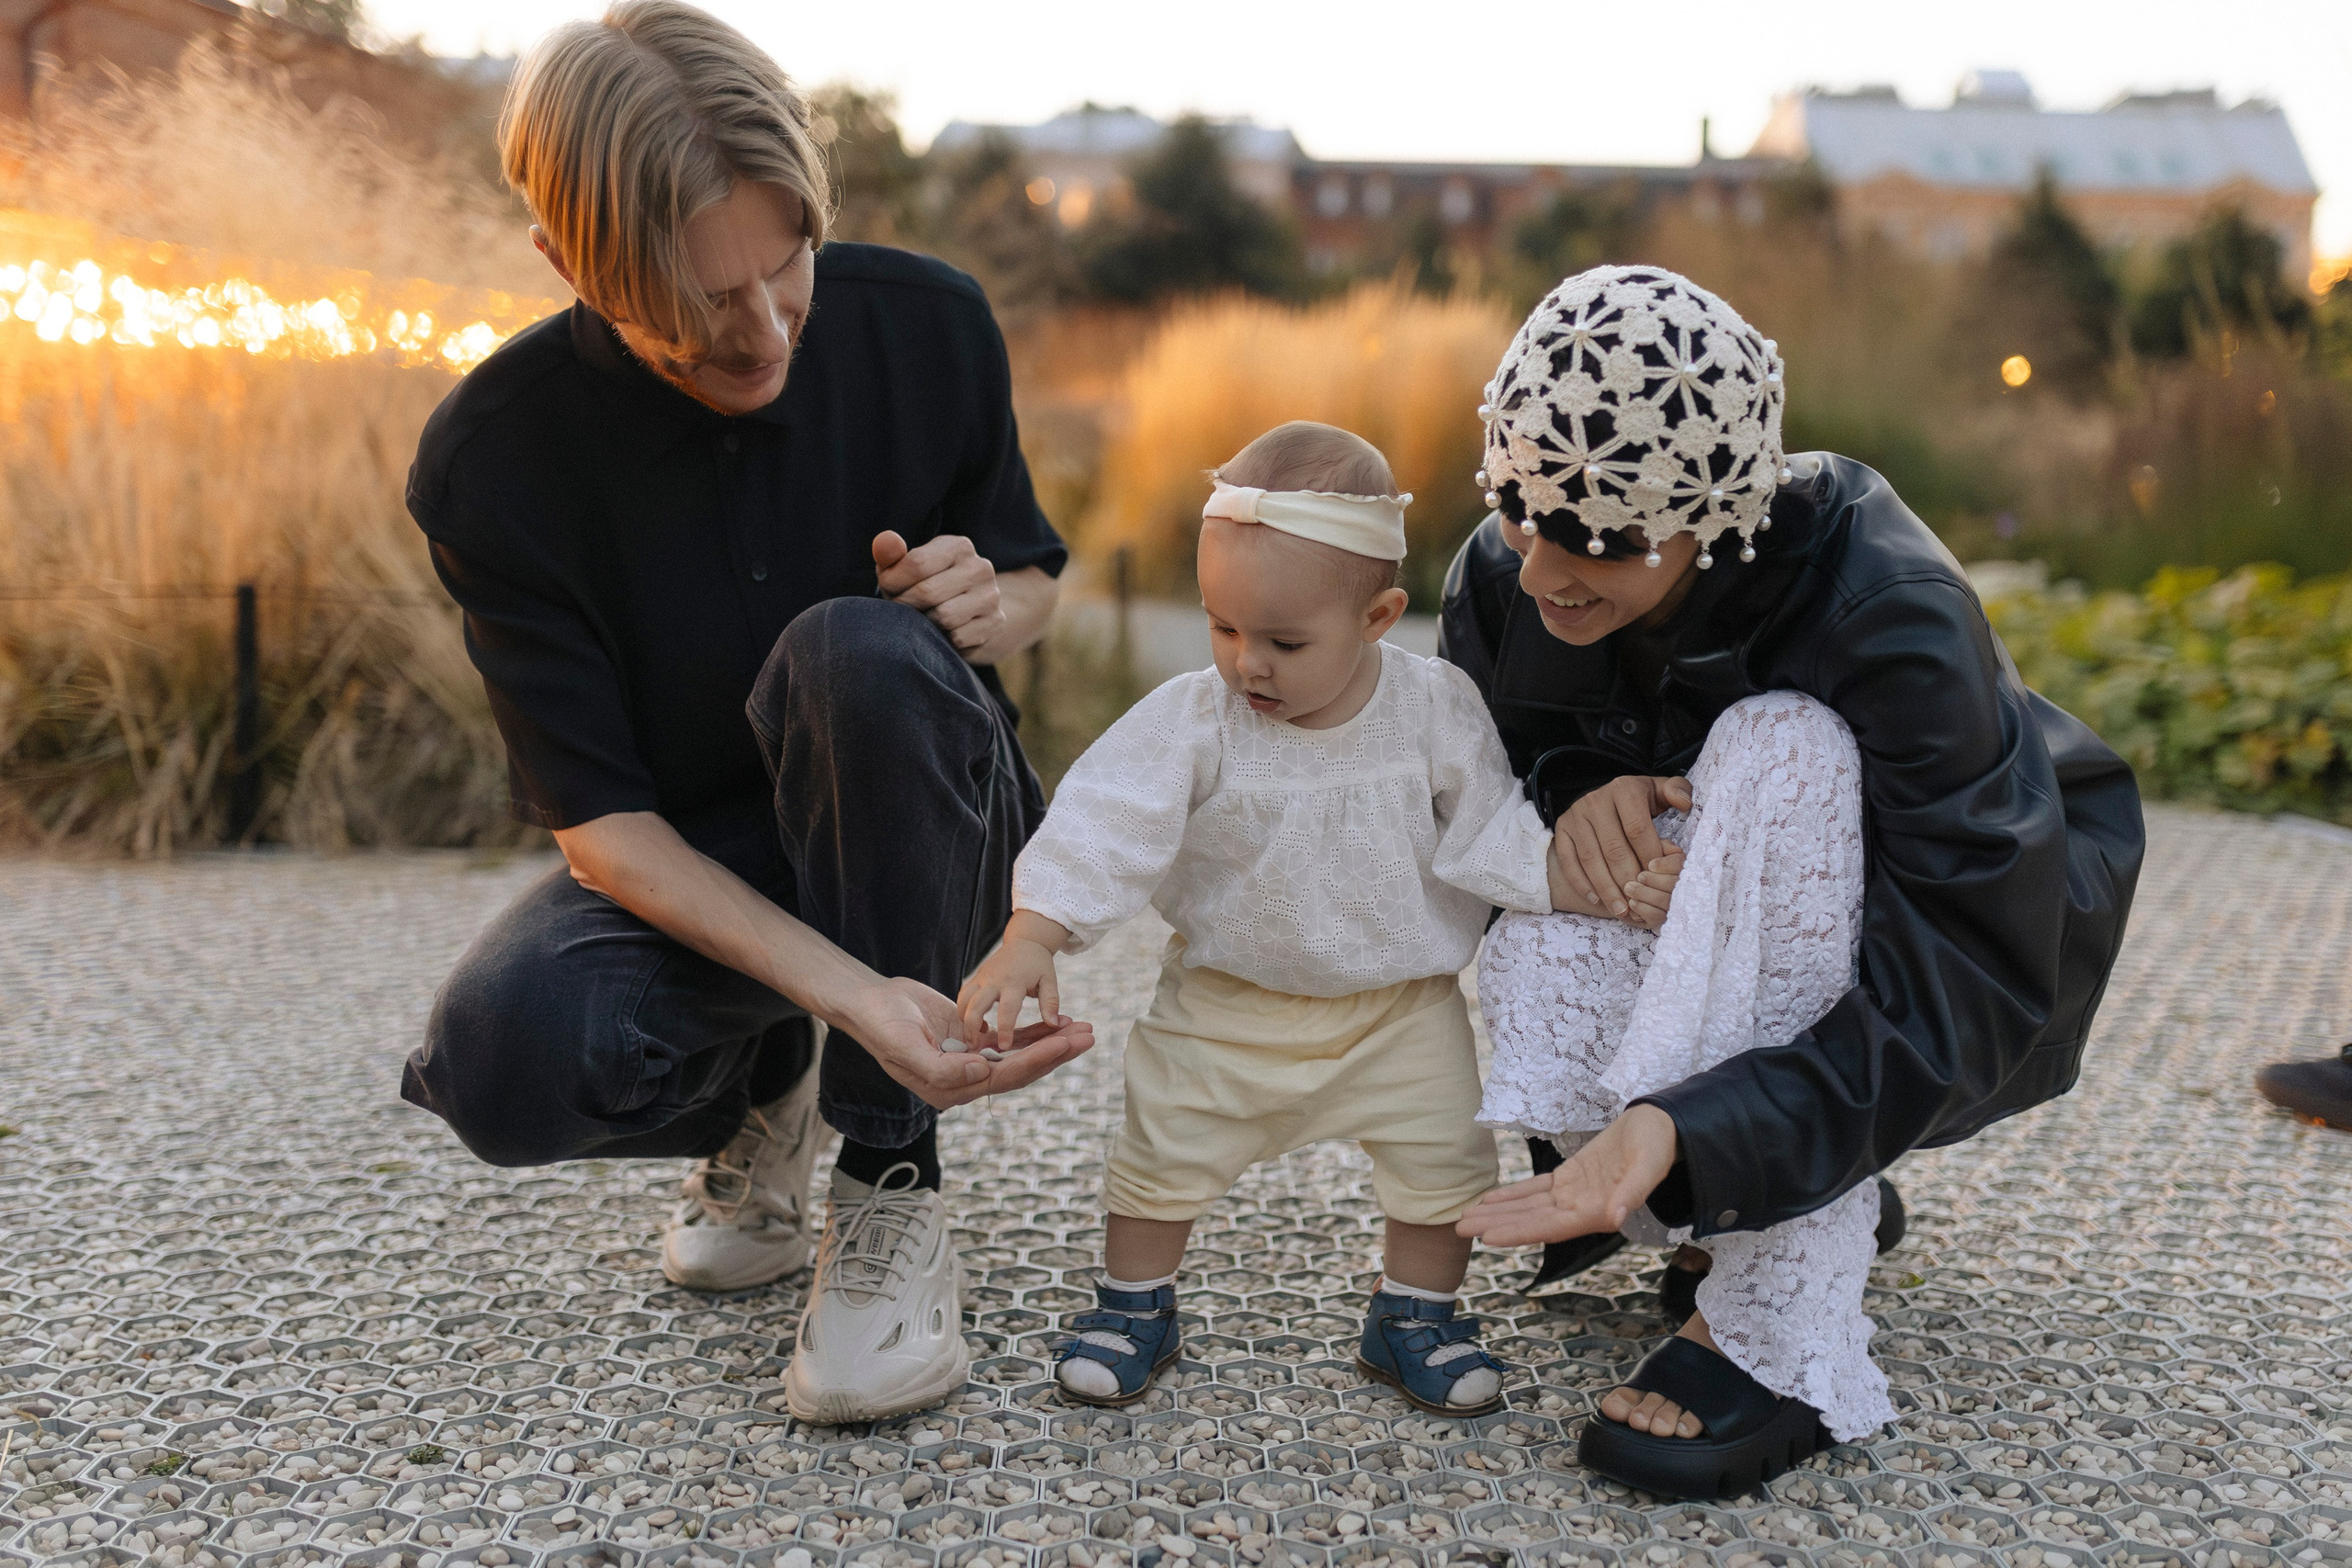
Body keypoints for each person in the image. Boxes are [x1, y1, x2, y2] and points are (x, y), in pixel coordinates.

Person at [398, 0, 1092, 1427]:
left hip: (945, 830)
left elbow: (1035, 578)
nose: (766, 327)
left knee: (857, 653)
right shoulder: (494, 459)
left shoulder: (933, 324)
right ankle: (778, 1077)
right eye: (707, 300)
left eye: (790, 269)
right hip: (700, 869)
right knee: (504, 1058)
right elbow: (607, 832)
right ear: (567, 262)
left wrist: (989, 601)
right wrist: (848, 1002)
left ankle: (889, 1180)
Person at [1441, 266, 2145, 1498]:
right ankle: (1770, 1192)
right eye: (1517, 502)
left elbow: (1959, 976)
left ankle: (1770, 1326)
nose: (1545, 567)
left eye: (1603, 535)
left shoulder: (1892, 613)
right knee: (1567, 884)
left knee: (1785, 746)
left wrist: (1690, 1126)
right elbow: (1468, 803)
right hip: (1744, 916)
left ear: (1710, 512)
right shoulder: (1504, 580)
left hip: (1980, 932)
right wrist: (1571, 798)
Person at [959, 423, 1571, 1414]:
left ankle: (1414, 1313)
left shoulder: (1432, 708)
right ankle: (1133, 1305)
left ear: (1378, 616)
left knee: (1442, 1164)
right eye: (1220, 626)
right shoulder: (1195, 719)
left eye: (1285, 641)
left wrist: (1567, 877)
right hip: (1226, 1003)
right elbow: (1107, 819)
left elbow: (1489, 824)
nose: (1248, 663)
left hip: (1399, 1009)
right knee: (1160, 1150)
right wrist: (1036, 931)